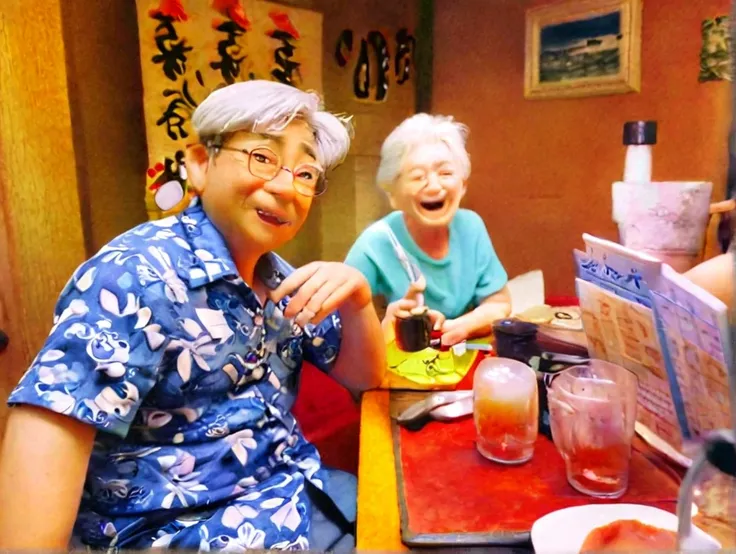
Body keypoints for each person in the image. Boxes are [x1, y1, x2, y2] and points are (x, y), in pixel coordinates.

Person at [0, 81, 385, 551]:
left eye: (306, 174)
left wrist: (359, 300)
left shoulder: (279, 276)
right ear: (201, 165)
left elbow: (365, 378)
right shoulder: (134, 276)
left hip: (300, 495)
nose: (287, 187)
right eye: (262, 158)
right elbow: (30, 518)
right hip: (188, 533)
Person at [345, 114, 511, 346]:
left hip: (456, 360)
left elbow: (499, 302)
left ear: (462, 185)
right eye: (418, 177)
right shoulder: (376, 243)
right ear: (392, 194)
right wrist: (388, 326)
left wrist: (460, 326)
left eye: (445, 173)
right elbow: (339, 324)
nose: (434, 186)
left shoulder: (471, 227)